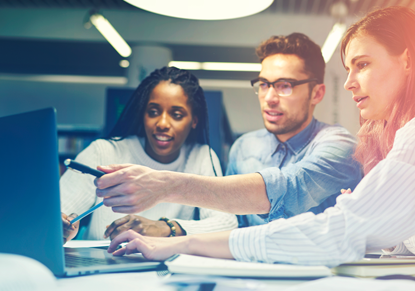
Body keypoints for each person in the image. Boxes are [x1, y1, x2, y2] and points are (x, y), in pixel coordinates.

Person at [104, 7, 415, 289]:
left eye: (363, 64)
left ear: (407, 60)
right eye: (348, 67)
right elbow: (382, 238)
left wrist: (178, 237)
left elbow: (338, 232)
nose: (351, 82)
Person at [93, 33, 362, 227]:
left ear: (317, 93)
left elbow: (290, 187)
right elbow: (231, 225)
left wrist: (164, 185)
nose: (269, 97)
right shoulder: (245, 147)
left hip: (317, 279)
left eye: (284, 85)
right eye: (264, 84)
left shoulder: (339, 146)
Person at [61, 67, 237, 243]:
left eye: (176, 115)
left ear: (194, 121)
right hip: (101, 264)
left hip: (165, 267)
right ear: (142, 115)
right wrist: (62, 227)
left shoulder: (201, 156)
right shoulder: (104, 152)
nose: (162, 123)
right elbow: (55, 214)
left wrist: (164, 227)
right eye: (153, 112)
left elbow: (227, 223)